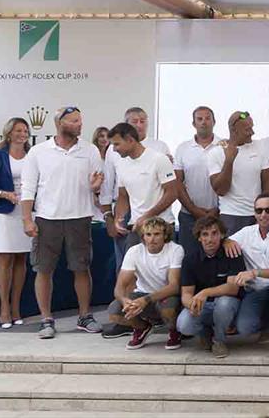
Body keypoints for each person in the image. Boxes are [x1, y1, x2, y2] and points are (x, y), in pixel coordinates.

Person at [20, 106, 104, 339]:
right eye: (74, 121)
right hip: (47, 219)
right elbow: (27, 188)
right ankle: (46, 319)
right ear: (60, 123)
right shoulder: (38, 152)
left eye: (80, 120)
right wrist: (27, 219)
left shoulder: (90, 150)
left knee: (81, 267)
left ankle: (85, 316)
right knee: (43, 269)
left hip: (80, 217)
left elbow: (98, 186)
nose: (79, 124)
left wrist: (96, 189)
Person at [223, 194, 269, 358]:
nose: (263, 214)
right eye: (259, 210)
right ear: (254, 213)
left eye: (268, 210)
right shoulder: (246, 233)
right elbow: (222, 241)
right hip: (256, 292)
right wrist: (226, 241)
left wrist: (255, 272)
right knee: (245, 328)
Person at [100, 107, 171, 269]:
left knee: (159, 269)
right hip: (132, 218)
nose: (139, 125)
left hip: (159, 219)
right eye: (134, 121)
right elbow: (120, 193)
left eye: (143, 121)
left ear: (130, 139)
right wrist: (115, 218)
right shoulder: (120, 159)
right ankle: (124, 295)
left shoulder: (159, 151)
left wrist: (147, 216)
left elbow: (173, 191)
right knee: (127, 268)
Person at [107, 217, 183, 350]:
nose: (152, 239)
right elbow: (119, 287)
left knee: (168, 310)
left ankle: (174, 330)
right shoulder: (134, 251)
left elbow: (174, 286)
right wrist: (124, 300)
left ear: (165, 235)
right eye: (148, 234)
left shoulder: (175, 249)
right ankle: (142, 328)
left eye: (157, 234)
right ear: (143, 236)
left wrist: (146, 300)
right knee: (114, 312)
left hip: (166, 295)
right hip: (142, 295)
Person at [176, 215, 246, 359]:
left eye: (214, 233)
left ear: (221, 235)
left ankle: (219, 341)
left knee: (224, 303)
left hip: (229, 304)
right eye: (205, 234)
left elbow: (233, 288)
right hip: (204, 306)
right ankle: (205, 333)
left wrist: (205, 292)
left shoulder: (232, 253)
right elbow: (186, 294)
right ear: (199, 237)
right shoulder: (190, 259)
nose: (210, 239)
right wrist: (191, 305)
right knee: (183, 324)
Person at [0, 117, 32, 328]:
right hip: (2, 212)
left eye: (25, 131)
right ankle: (4, 309)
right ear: (9, 133)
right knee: (5, 259)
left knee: (21, 259)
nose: (22, 134)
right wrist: (5, 194)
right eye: (18, 130)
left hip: (25, 212)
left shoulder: (32, 155)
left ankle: (16, 308)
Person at [208, 111, 269, 235]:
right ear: (234, 130)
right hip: (231, 216)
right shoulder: (216, 152)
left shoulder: (261, 147)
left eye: (252, 127)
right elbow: (221, 190)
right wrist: (229, 160)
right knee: (233, 254)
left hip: (258, 215)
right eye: (248, 129)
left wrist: (262, 213)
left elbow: (268, 186)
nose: (252, 133)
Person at [174, 106, 221, 255]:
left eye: (207, 118)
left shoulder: (224, 146)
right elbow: (177, 183)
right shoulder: (183, 148)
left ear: (214, 122)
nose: (204, 122)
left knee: (217, 258)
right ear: (194, 124)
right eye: (199, 119)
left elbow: (230, 181)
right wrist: (194, 210)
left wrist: (217, 209)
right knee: (188, 258)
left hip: (218, 214)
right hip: (189, 215)